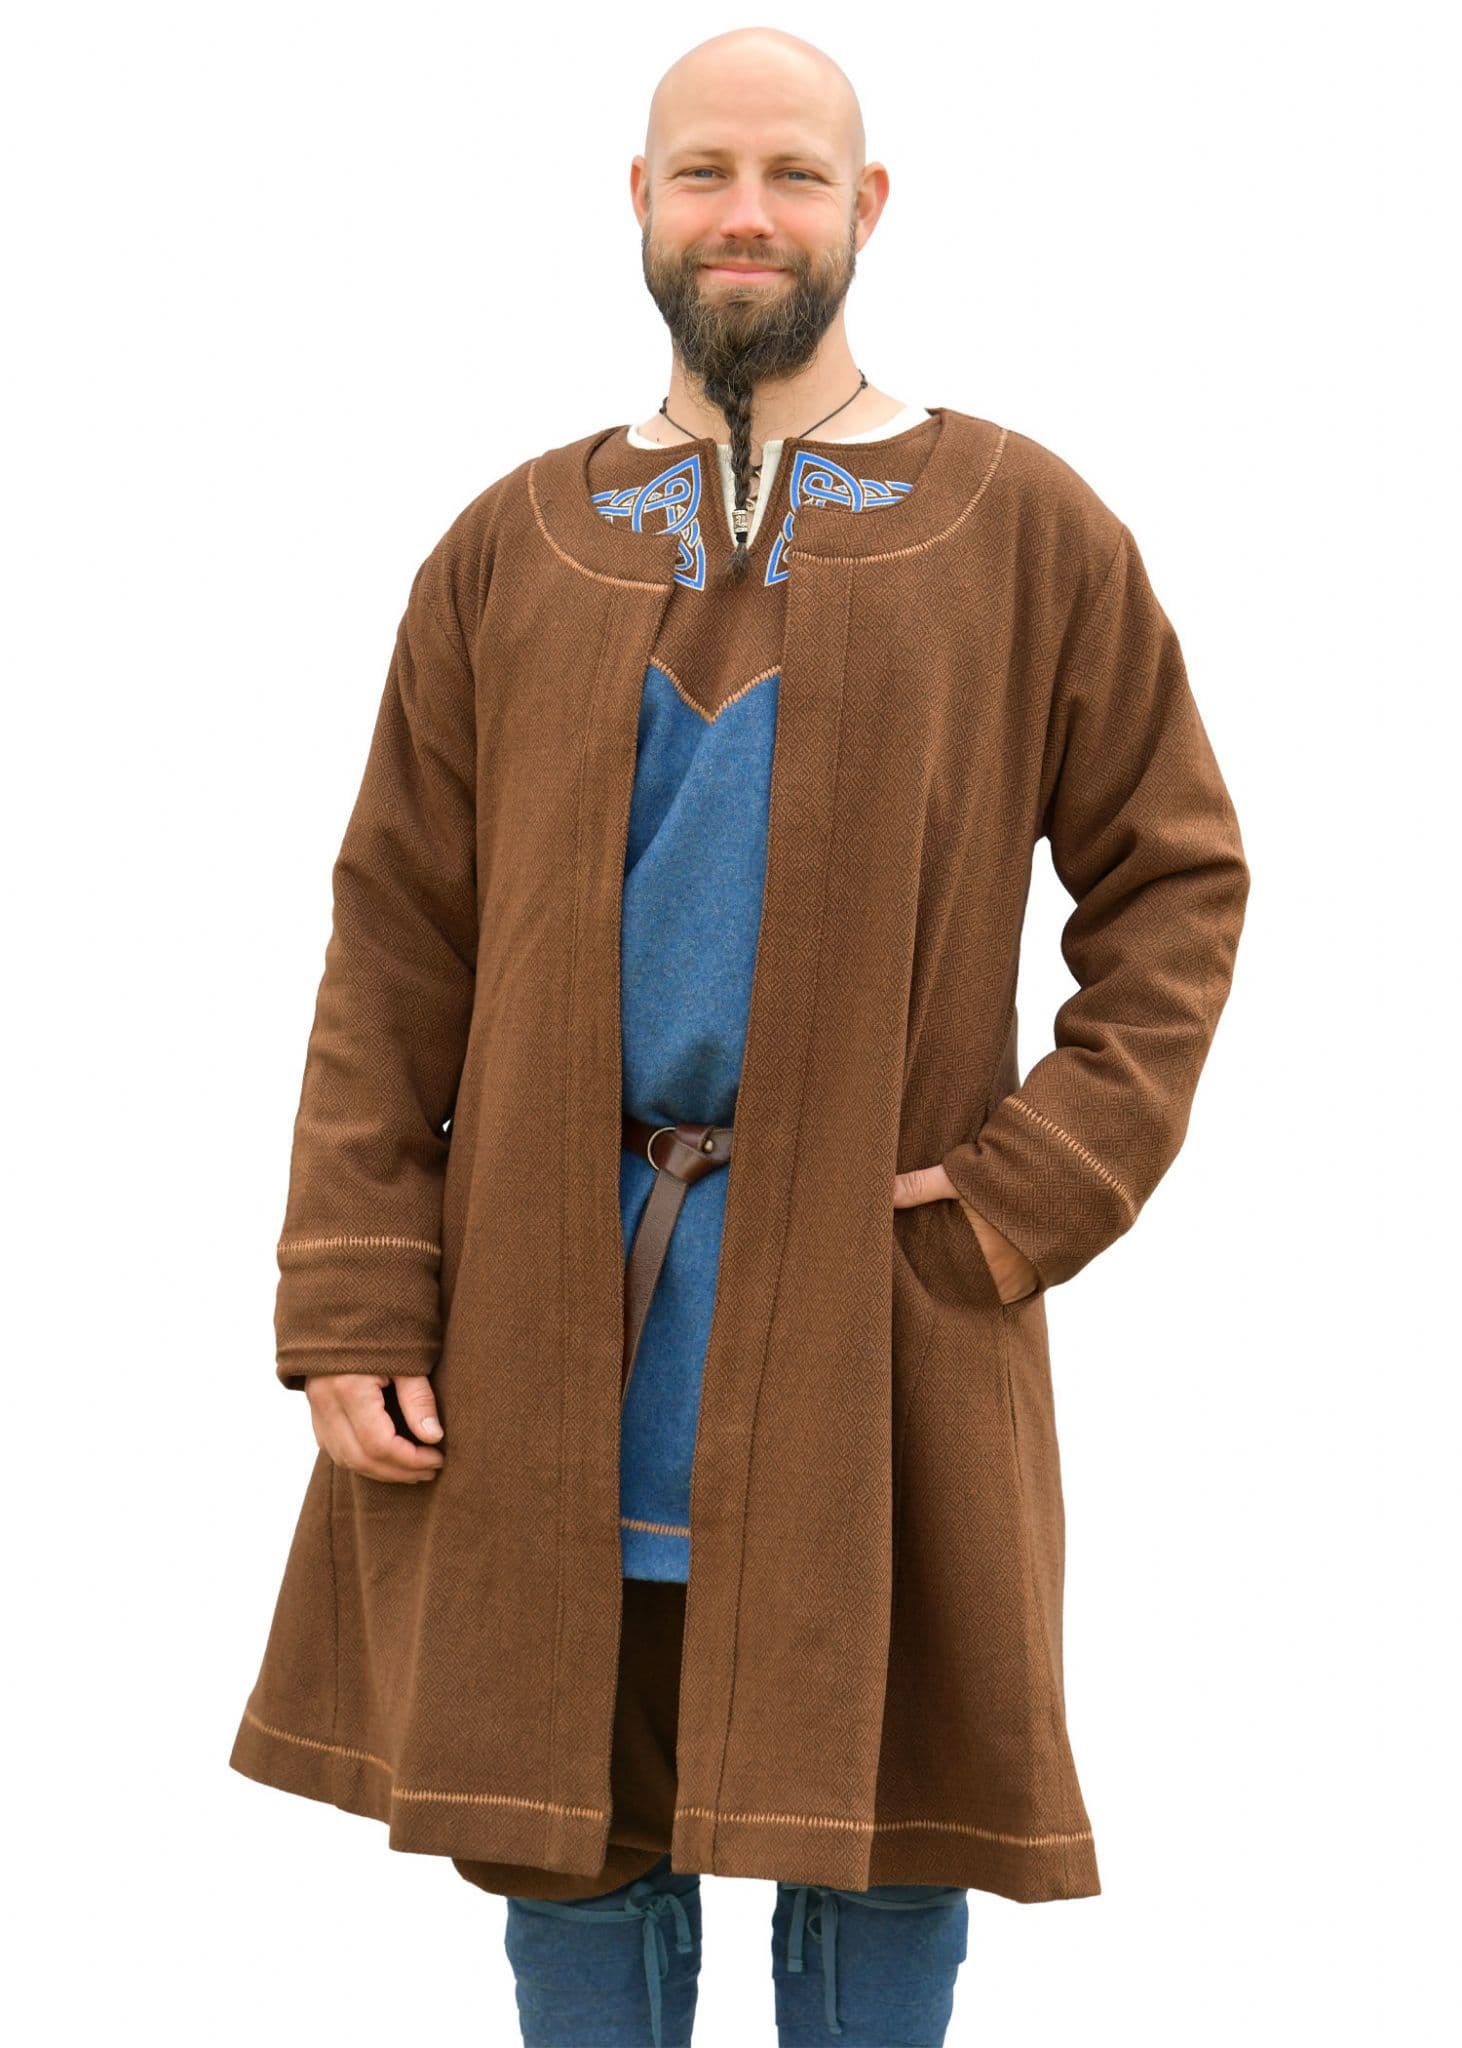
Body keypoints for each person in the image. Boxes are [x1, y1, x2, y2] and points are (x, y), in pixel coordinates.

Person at [229, 26, 1250, 2048]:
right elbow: (392, 945)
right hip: (549, 1295)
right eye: (703, 171)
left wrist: (1023, 1192)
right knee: (565, 1817)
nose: (745, 213)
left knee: (877, 1816)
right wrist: (354, 1293)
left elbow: (1176, 881)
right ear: (640, 200)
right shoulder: (515, 542)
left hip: (875, 1292)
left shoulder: (1017, 525)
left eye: (791, 174)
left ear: (864, 207)